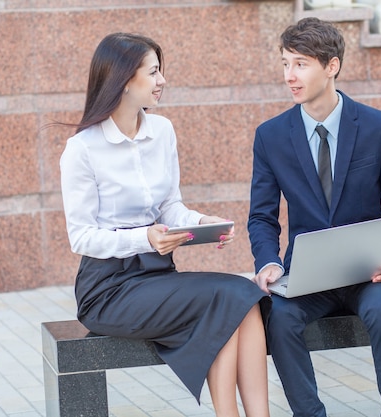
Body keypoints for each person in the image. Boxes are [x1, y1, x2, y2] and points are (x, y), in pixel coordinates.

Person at [59, 32, 271, 417]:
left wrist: (204, 222)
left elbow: (171, 207)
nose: (162, 81)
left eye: (161, 71)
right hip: (108, 289)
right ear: (125, 79)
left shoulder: (163, 131)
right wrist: (144, 238)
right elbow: (82, 237)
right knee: (226, 297)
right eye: (153, 72)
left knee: (245, 298)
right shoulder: (83, 148)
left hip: (157, 276)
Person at [247, 18, 381, 417]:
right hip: (308, 277)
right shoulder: (270, 136)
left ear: (332, 66)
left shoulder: (379, 127)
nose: (290, 76)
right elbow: (262, 216)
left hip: (370, 272)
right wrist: (268, 262)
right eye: (285, 63)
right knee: (280, 320)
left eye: (301, 64)